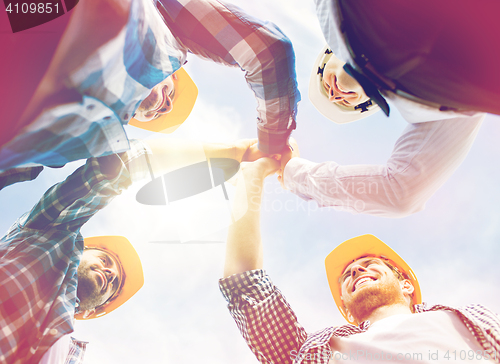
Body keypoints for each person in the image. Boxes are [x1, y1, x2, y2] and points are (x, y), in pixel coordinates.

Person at [0, 136, 260, 364]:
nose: (111, 272)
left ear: (94, 311)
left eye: (114, 285)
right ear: (83, 249)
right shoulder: (49, 235)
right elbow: (121, 165)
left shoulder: (68, 354)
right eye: (105, 258)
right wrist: (236, 151)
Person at [219, 162, 500, 363]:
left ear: (406, 284)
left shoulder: (467, 318)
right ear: (347, 310)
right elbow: (246, 286)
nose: (355, 269)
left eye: (368, 262)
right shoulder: (314, 352)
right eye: (346, 276)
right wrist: (253, 175)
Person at [0, 0, 298, 178]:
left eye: (155, 117)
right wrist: (271, 143)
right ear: (177, 68)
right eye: (171, 92)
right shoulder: (164, 20)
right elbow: (267, 51)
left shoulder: (78, 150)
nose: (166, 106)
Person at [277, 0, 500, 218]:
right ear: (371, 103)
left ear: (327, 55)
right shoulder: (437, 108)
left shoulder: (331, 9)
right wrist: (293, 173)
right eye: (343, 103)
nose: (334, 94)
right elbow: (401, 192)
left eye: (325, 87)